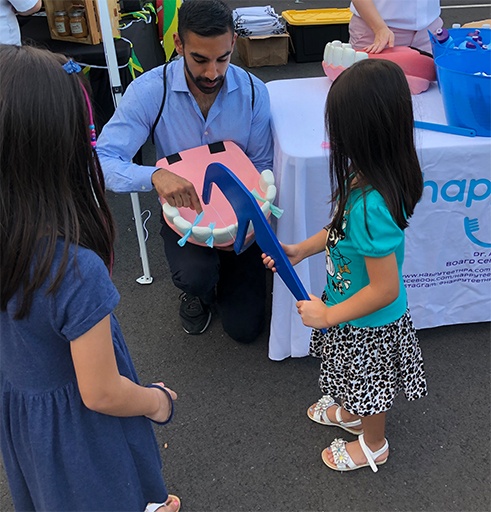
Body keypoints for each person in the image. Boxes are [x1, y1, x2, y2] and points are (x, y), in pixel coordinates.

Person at [0, 44, 180, 511]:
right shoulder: (73, 269)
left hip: (28, 422)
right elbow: (101, 391)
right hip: (84, 436)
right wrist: (156, 401)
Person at [262, 59, 428, 472]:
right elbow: (339, 232)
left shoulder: (373, 204)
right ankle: (353, 415)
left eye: (340, 128)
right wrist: (301, 249)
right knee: (348, 375)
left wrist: (330, 313)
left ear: (365, 133)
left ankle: (374, 443)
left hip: (369, 322)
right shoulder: (365, 178)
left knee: (368, 386)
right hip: (347, 310)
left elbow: (385, 289)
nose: (334, 137)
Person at [97, 0, 273, 342]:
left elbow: (264, 166)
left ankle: (231, 275)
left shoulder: (253, 92)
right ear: (178, 44)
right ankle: (198, 291)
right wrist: (153, 176)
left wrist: (253, 226)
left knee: (245, 330)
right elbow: (102, 160)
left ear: (234, 42)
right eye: (200, 59)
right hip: (186, 216)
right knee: (195, 276)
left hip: (240, 218)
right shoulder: (150, 91)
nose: (212, 73)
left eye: (223, 58)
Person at [349, 0, 442, 54]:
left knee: (433, 85)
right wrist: (379, 29)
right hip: (379, 33)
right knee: (370, 85)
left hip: (429, 32)